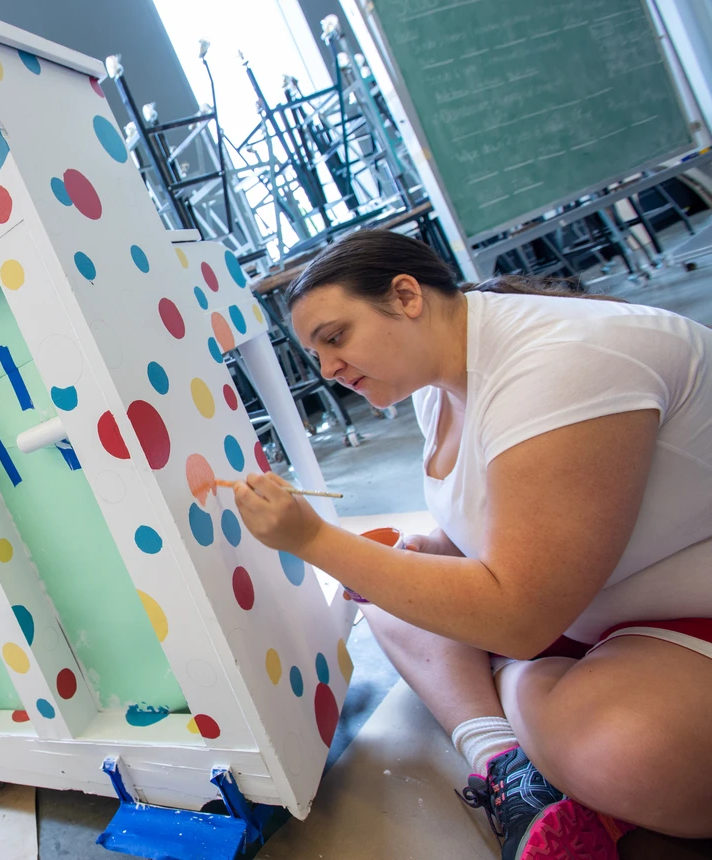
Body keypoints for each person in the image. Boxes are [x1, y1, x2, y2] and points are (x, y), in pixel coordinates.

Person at [233, 230, 712, 860]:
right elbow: (504, 519)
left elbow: (521, 618)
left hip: (675, 604)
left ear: (406, 296)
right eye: (315, 354)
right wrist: (432, 547)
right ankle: (506, 763)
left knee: (624, 754)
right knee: (384, 592)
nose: (327, 371)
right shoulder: (439, 383)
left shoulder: (560, 362)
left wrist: (314, 540)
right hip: (592, 603)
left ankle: (517, 700)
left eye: (335, 337)